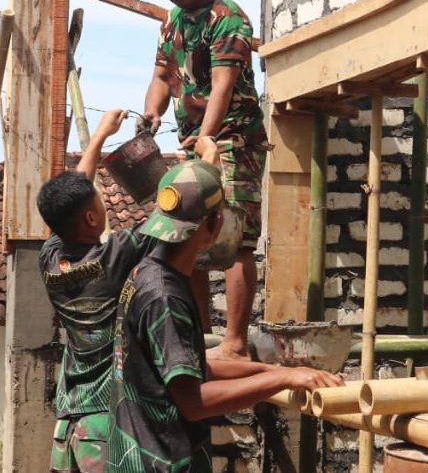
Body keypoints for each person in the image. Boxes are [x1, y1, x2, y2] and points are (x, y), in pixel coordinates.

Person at [107, 160, 343, 473]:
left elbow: (189, 370)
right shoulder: (165, 296)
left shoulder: (147, 275)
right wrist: (282, 378)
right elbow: (193, 402)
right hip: (159, 462)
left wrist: (263, 370)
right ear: (215, 223)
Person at [142, 0, 267, 361]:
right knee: (187, 237)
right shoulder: (172, 22)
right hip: (195, 145)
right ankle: (198, 334)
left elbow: (222, 85)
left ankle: (234, 343)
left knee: (234, 239)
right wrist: (152, 114)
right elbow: (162, 75)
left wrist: (208, 137)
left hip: (234, 142)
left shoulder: (227, 19)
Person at [36, 108, 159, 473]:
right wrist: (205, 162)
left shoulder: (50, 258)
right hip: (104, 429)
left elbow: (73, 197)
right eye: (97, 203)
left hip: (69, 427)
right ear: (92, 218)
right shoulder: (116, 254)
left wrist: (99, 138)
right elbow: (174, 213)